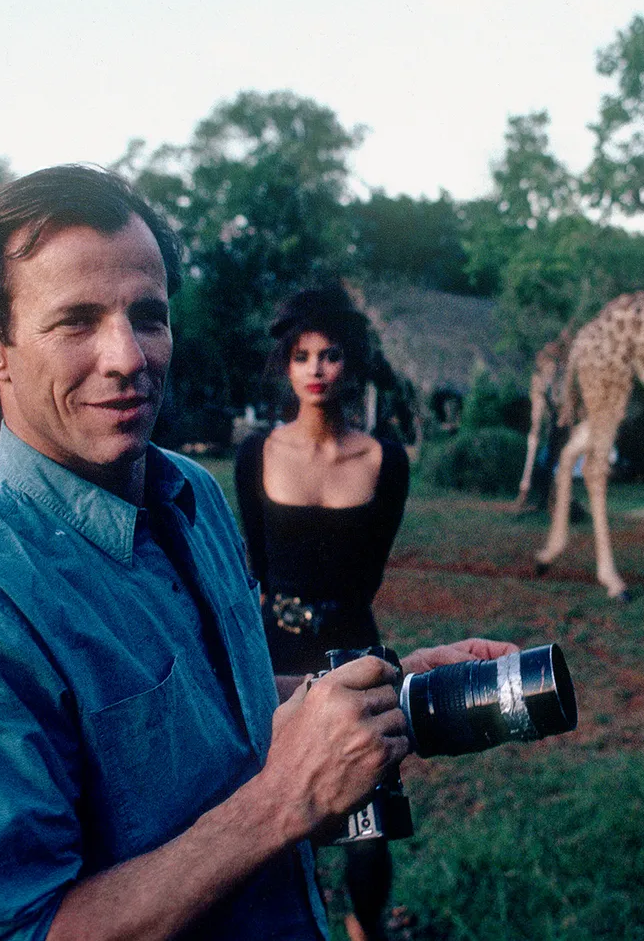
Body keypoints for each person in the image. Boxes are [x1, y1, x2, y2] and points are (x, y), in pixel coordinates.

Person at [0, 165, 514, 941]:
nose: (128, 355)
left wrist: (374, 691)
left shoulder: (189, 496)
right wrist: (281, 799)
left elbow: (209, 710)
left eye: (148, 315)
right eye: (77, 321)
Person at [235, 286, 406, 941]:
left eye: (329, 355)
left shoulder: (385, 461)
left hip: (354, 645)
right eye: (302, 355)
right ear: (286, 364)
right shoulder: (257, 453)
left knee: (369, 827)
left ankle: (367, 929)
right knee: (278, 818)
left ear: (348, 364)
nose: (315, 368)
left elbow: (371, 571)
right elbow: (257, 567)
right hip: (273, 647)